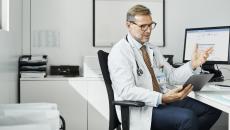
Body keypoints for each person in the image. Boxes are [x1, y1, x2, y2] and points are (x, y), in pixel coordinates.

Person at [108, 4, 221, 130]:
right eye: (143, 26)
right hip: (142, 109)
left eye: (151, 25)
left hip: (163, 99)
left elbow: (172, 76)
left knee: (212, 110)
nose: (149, 30)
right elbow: (126, 90)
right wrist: (160, 98)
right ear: (128, 25)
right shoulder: (119, 52)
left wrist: (193, 64)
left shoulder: (152, 49)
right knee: (188, 118)